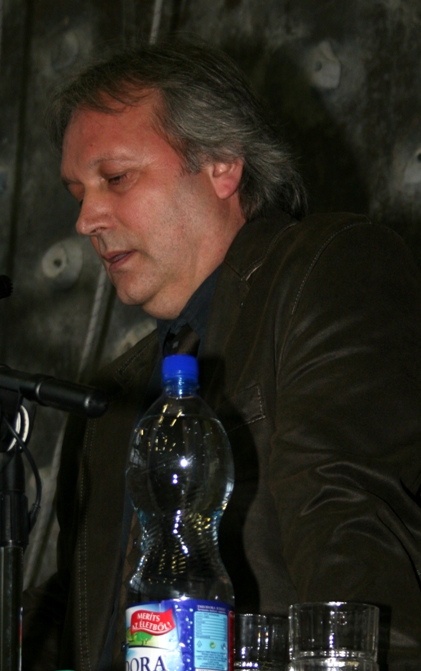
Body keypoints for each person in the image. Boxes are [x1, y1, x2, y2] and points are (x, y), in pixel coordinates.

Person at [22, 41, 421, 671]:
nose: (86, 219)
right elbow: (89, 614)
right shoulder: (113, 395)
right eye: (78, 193)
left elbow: (354, 538)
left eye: (116, 178)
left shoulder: (325, 269)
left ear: (221, 164)